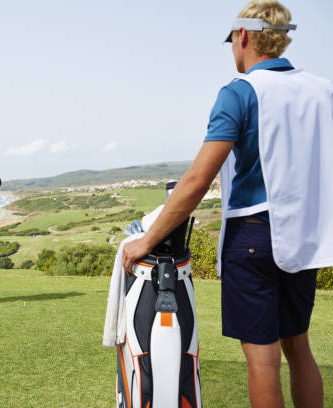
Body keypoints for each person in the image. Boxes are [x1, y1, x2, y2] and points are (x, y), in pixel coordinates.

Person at [122, 1, 332, 407]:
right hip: (305, 236)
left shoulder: (240, 93)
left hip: (253, 238)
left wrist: (148, 239)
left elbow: (197, 180)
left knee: (264, 360)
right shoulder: (324, 90)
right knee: (299, 348)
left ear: (244, 36)